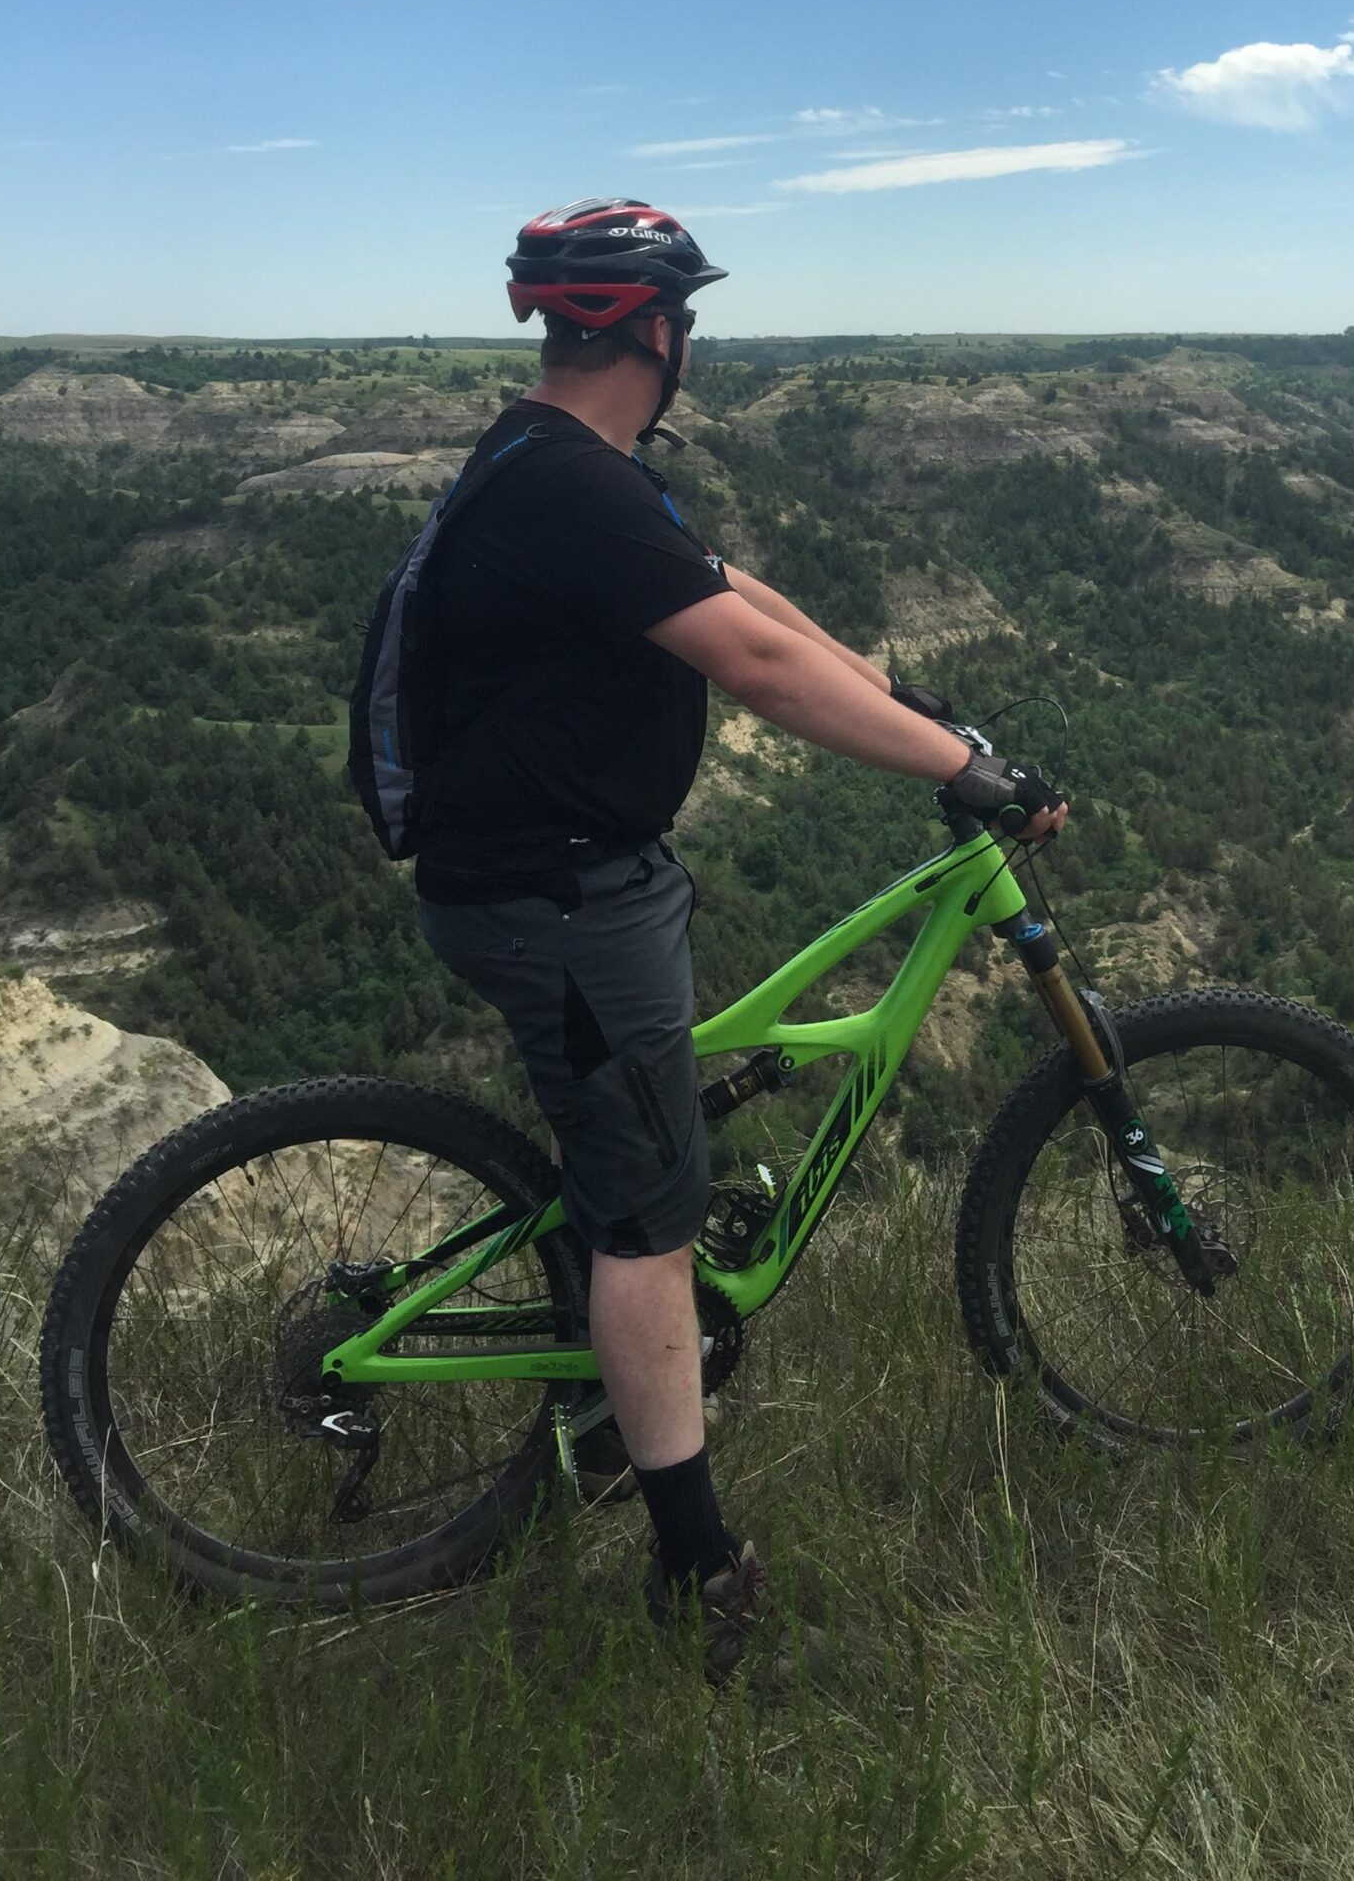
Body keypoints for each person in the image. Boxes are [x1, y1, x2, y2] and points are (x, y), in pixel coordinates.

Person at [415, 198, 1068, 1679]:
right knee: (654, 1222)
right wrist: (951, 769)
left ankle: (600, 1399)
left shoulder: (567, 464)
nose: (688, 339)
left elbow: (743, 602)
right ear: (652, 329)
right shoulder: (572, 487)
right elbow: (758, 667)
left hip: (570, 880)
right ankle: (697, 1573)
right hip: (561, 897)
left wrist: (916, 714)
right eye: (683, 319)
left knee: (638, 1147)